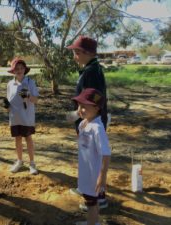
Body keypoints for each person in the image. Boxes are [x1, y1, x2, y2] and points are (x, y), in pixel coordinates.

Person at [66, 35, 109, 210]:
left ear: (88, 53)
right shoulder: (91, 69)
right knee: (87, 158)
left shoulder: (92, 72)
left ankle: (99, 197)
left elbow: (95, 99)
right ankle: (87, 189)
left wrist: (82, 116)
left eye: (77, 52)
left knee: (94, 159)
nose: (74, 56)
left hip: (90, 120)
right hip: (87, 119)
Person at [72, 88, 111, 225]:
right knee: (91, 202)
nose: (80, 109)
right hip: (86, 171)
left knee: (91, 204)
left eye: (84, 106)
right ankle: (93, 222)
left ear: (96, 108)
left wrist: (103, 175)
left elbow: (106, 153)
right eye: (79, 105)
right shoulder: (84, 123)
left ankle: (93, 223)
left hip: (93, 175)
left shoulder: (97, 128)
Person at [6, 58, 39, 175]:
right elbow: (10, 101)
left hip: (27, 117)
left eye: (21, 68)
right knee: (18, 138)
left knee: (28, 138)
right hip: (15, 117)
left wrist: (28, 96)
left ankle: (32, 163)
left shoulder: (30, 82)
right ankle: (19, 161)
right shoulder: (10, 84)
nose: (19, 70)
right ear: (13, 71)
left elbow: (35, 100)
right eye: (17, 69)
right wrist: (7, 106)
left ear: (25, 69)